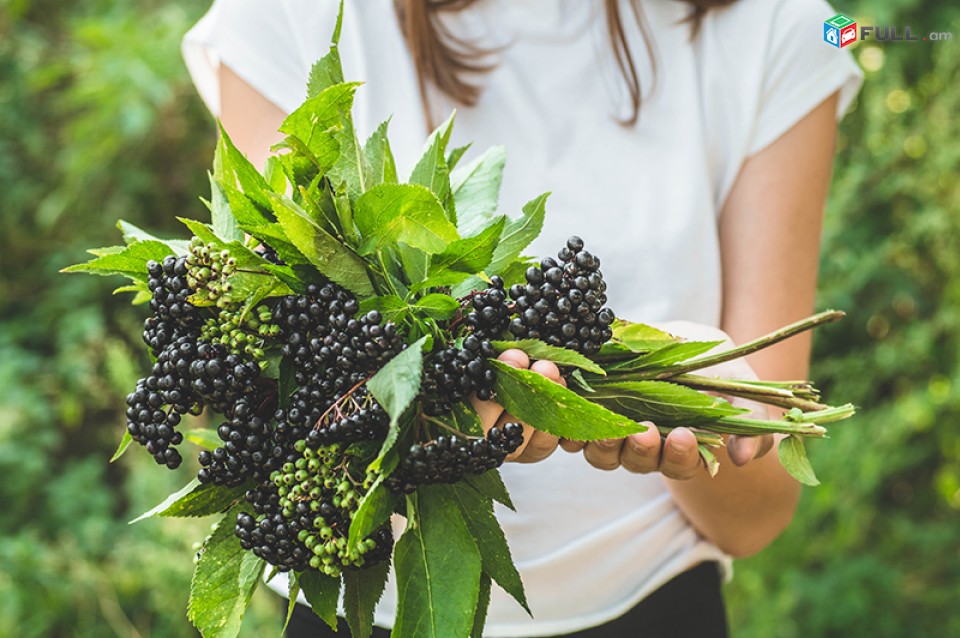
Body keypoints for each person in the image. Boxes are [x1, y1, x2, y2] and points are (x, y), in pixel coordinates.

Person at [182, 0, 862, 635]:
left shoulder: (777, 26)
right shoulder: (289, 15)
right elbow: (279, 390)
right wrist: (430, 413)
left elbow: (757, 516)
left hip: (652, 604)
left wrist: (699, 392)